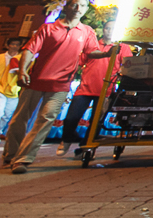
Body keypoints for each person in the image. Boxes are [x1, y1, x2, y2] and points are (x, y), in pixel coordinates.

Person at [3, 0, 114, 174]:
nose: (78, 8)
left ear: (86, 10)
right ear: (66, 7)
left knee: (45, 120)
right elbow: (30, 50)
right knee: (19, 119)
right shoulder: (48, 28)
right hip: (36, 80)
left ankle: (23, 159)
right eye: (75, 5)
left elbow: (91, 51)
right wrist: (23, 70)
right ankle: (10, 154)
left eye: (83, 6)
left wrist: (106, 54)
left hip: (61, 84)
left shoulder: (86, 31)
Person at [57, 20, 133, 156]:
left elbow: (128, 66)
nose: (110, 31)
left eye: (113, 29)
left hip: (106, 90)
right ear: (103, 30)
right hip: (85, 88)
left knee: (95, 122)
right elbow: (79, 63)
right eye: (108, 28)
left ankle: (85, 148)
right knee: (71, 117)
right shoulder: (93, 44)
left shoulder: (122, 47)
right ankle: (67, 139)